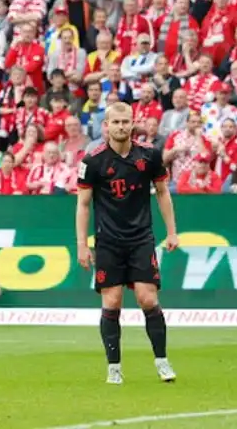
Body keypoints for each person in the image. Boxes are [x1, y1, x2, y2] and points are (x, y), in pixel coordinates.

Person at [76, 102, 178, 384]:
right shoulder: (92, 161)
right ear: (106, 125)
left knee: (148, 299)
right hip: (108, 241)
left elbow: (162, 192)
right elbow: (82, 204)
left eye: (125, 121)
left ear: (133, 124)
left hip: (141, 238)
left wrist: (172, 232)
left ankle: (162, 361)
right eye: (116, 122)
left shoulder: (149, 155)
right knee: (112, 302)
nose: (121, 126)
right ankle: (114, 367)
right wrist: (82, 244)